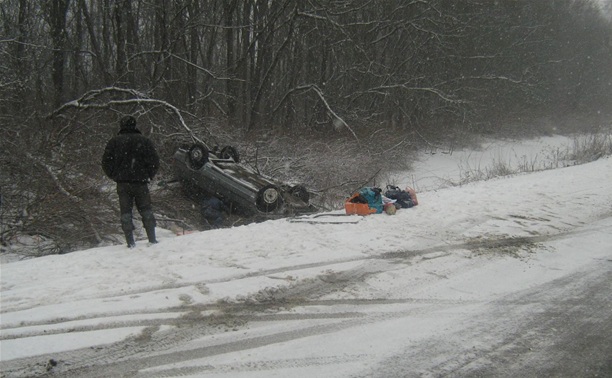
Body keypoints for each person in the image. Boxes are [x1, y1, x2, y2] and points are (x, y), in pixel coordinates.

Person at [102, 116, 160, 248]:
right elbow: (154, 161)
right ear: (135, 125)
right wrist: (149, 175)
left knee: (126, 213)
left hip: (123, 183)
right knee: (146, 210)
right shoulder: (144, 141)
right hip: (141, 182)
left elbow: (106, 163)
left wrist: (114, 175)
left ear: (121, 125)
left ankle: (130, 242)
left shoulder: (114, 142)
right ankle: (152, 239)